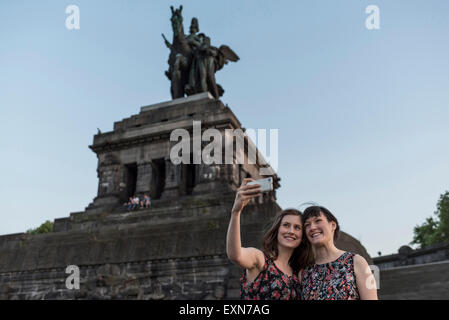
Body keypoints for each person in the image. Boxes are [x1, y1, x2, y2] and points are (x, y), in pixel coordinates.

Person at [226, 178, 313, 300]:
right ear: (277, 229)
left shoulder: (297, 274)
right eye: (286, 225)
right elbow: (235, 255)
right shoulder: (260, 259)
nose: (291, 231)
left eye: (297, 227)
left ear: (302, 236)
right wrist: (236, 212)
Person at [300, 205, 378, 300]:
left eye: (317, 221)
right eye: (307, 225)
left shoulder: (356, 262)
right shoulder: (304, 272)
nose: (312, 227)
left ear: (333, 225)